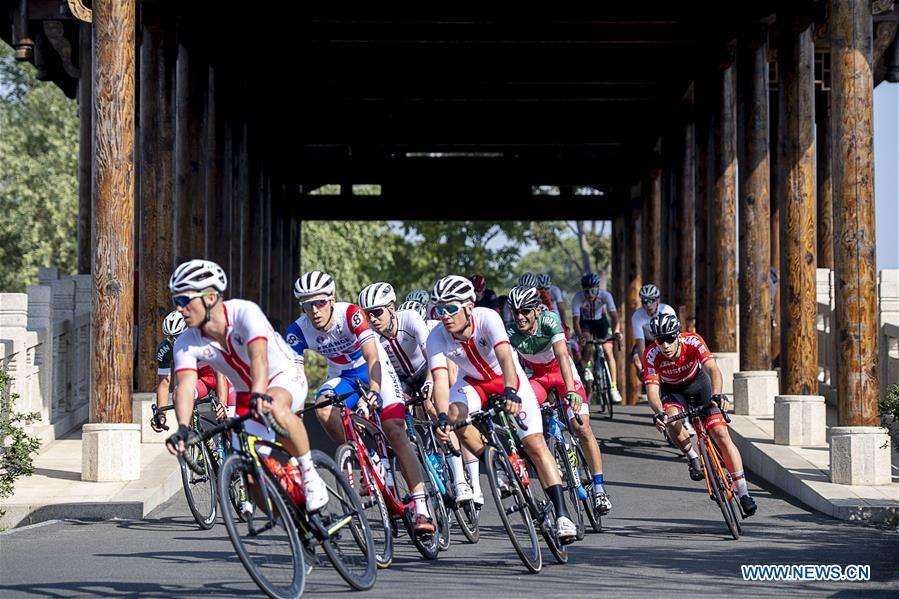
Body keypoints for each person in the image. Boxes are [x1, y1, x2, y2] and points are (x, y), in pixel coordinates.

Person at [163, 259, 328, 512]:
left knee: (275, 408)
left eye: (184, 301)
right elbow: (184, 386)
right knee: (249, 479)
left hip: (279, 376)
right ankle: (297, 521)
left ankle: (309, 474)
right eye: (176, 301)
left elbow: (259, 359)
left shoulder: (243, 312)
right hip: (245, 392)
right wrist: (183, 429)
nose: (179, 308)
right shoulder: (185, 341)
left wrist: (260, 394)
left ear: (209, 297)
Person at [427, 275, 579, 543]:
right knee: (453, 415)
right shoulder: (437, 336)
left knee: (534, 443)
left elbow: (507, 358)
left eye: (450, 308)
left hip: (507, 379)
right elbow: (440, 380)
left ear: (468, 307)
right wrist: (441, 418)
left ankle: (562, 515)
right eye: (439, 309)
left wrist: (510, 390)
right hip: (472, 383)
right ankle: (496, 462)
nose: (445, 316)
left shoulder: (488, 318)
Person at [287, 271, 435, 534]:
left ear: (331, 300)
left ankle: (422, 509)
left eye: (319, 302)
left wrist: (376, 391)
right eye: (307, 305)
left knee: (394, 431)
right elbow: (295, 378)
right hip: (342, 376)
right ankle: (366, 455)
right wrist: (294, 415)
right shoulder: (298, 331)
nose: (314, 310)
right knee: (323, 409)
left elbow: (372, 356)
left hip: (373, 369)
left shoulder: (350, 314)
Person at [359, 281, 483, 505]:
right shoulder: (372, 336)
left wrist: (429, 383)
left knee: (433, 407)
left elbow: (433, 358)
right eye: (368, 316)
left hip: (424, 369)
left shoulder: (410, 318)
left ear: (391, 308)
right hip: (401, 379)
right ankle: (427, 480)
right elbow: (378, 370)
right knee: (398, 427)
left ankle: (461, 482)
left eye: (377, 313)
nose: (373, 320)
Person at [505, 285, 611, 515]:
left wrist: (572, 390)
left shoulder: (549, 320)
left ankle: (600, 487)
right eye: (515, 312)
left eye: (525, 311)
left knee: (580, 426)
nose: (520, 317)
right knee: (529, 427)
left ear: (536, 310)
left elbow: (563, 355)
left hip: (562, 374)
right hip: (538, 378)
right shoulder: (511, 331)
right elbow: (510, 366)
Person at [644, 313, 758, 517]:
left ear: (678, 335)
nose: (666, 345)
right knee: (672, 420)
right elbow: (652, 390)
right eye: (660, 340)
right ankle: (692, 457)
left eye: (670, 338)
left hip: (698, 385)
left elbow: (713, 369)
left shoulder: (693, 341)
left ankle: (744, 494)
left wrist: (717, 394)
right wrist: (659, 413)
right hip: (672, 392)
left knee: (721, 434)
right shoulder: (651, 354)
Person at [151, 310, 231, 432]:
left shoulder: (203, 341)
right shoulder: (165, 350)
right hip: (201, 381)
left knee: (230, 424)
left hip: (224, 379)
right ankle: (189, 433)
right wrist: (161, 414)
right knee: (179, 393)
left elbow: (219, 375)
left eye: (177, 336)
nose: (174, 342)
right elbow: (164, 384)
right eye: (170, 337)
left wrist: (222, 402)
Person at [571, 273, 623, 403]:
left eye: (593, 291)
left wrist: (616, 331)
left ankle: (613, 387)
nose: (589, 295)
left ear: (598, 288)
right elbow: (576, 321)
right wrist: (580, 336)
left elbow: (615, 316)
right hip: (586, 322)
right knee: (587, 345)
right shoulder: (577, 298)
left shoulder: (606, 296)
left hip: (601, 322)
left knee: (608, 350)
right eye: (586, 292)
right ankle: (588, 367)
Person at [630, 284, 677, 381]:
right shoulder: (637, 316)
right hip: (648, 341)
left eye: (651, 300)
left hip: (665, 339)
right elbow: (640, 344)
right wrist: (645, 367)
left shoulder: (667, 310)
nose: (648, 304)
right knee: (636, 358)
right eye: (645, 301)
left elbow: (676, 335)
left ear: (658, 300)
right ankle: (648, 380)